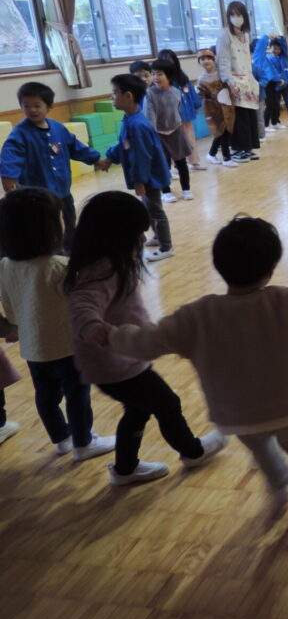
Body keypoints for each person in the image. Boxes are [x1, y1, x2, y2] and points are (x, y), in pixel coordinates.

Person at [110, 216, 288, 524]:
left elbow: (149, 340)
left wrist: (111, 336)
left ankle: (278, 481)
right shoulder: (287, 301)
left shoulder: (197, 315)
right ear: (271, 268)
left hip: (235, 417)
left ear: (219, 265)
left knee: (260, 445)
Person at [65, 191, 226, 486]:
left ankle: (125, 469)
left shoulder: (113, 264)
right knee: (167, 404)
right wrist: (92, 326)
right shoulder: (103, 269)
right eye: (137, 234)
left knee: (138, 410)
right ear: (114, 236)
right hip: (114, 364)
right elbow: (83, 303)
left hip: (124, 358)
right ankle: (193, 452)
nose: (142, 239)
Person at [0, 187, 115, 461]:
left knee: (46, 397)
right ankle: (84, 442)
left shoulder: (5, 265)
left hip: (33, 349)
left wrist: (16, 326)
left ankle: (62, 439)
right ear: (50, 229)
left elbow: (8, 305)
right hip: (67, 347)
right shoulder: (60, 267)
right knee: (77, 395)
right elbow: (82, 304)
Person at [1, 82, 110, 254]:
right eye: (26, 106)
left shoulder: (58, 128)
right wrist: (9, 181)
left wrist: (96, 159)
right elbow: (10, 157)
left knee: (69, 225)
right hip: (38, 198)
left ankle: (71, 256)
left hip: (63, 192)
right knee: (45, 231)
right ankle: (51, 258)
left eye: (37, 105)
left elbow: (75, 146)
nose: (32, 110)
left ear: (49, 106)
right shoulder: (20, 134)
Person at [104, 74, 174, 263]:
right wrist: (110, 157)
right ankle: (158, 236)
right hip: (146, 175)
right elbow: (124, 144)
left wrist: (139, 180)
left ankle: (166, 246)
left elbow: (141, 156)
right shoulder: (130, 120)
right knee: (149, 207)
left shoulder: (137, 125)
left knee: (155, 209)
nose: (112, 97)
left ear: (128, 96)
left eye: (114, 93)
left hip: (150, 175)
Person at [215, 1, 261, 162]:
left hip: (247, 79)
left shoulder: (245, 34)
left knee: (249, 116)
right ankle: (237, 149)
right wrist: (229, 81)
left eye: (239, 14)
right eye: (233, 15)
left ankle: (248, 147)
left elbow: (247, 59)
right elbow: (223, 61)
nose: (236, 18)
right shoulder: (224, 34)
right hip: (234, 80)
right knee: (238, 117)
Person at [147, 59, 194, 203]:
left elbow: (177, 111)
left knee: (181, 162)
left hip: (176, 131)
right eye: (153, 74)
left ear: (169, 76)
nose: (155, 77)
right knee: (163, 164)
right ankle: (165, 191)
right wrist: (152, 135)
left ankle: (186, 189)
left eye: (159, 74)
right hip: (158, 133)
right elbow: (149, 115)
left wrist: (178, 127)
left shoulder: (176, 92)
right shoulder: (150, 93)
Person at [157, 49, 205, 169]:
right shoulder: (161, 80)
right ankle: (175, 166)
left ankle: (194, 162)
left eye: (170, 60)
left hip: (186, 115)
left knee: (189, 139)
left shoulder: (182, 77)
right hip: (171, 118)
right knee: (174, 142)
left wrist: (196, 105)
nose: (168, 63)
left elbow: (191, 92)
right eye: (165, 60)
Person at [197, 48, 238, 168]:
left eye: (208, 58)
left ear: (213, 59)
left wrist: (235, 89)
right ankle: (226, 158)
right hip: (213, 109)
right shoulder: (201, 79)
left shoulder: (222, 73)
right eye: (202, 59)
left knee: (225, 131)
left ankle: (211, 154)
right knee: (222, 131)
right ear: (199, 62)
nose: (206, 61)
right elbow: (201, 96)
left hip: (227, 105)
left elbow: (231, 84)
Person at [259, 36, 288, 129]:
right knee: (275, 104)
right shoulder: (268, 59)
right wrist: (279, 78)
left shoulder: (283, 57)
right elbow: (271, 72)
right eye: (275, 48)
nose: (277, 51)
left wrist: (278, 38)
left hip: (285, 84)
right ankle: (275, 121)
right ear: (270, 48)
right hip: (276, 85)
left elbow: (284, 45)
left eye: (279, 49)